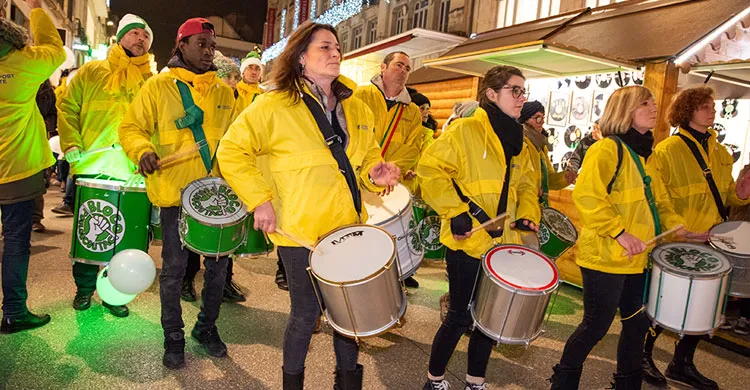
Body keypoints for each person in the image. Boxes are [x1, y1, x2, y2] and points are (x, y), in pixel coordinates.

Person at [217, 21, 400, 389]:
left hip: (348, 227)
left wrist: (374, 176)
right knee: (306, 313)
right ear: (301, 57)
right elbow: (232, 151)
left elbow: (363, 163)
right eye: (324, 47)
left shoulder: (357, 107)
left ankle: (346, 383)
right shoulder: (273, 105)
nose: (335, 53)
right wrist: (259, 201)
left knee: (350, 316)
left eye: (337, 48)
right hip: (299, 230)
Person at [548, 86, 704, 390]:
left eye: (654, 102)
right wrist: (620, 232)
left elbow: (660, 202)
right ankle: (563, 381)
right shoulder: (606, 149)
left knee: (637, 324)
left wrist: (678, 227)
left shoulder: (649, 155)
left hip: (639, 259)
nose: (654, 108)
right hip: (606, 257)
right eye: (645, 103)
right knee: (596, 325)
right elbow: (588, 196)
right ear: (624, 111)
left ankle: (627, 384)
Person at [119, 17, 237, 369]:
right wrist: (142, 150)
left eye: (212, 46)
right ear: (181, 45)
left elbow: (236, 143)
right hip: (173, 195)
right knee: (173, 270)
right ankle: (173, 335)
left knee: (218, 270)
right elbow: (131, 126)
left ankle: (206, 328)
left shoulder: (223, 92)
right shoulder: (158, 87)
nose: (209, 52)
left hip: (214, 198)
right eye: (201, 44)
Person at [418, 65, 540, 390]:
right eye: (514, 90)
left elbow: (528, 185)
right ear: (491, 94)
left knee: (488, 321)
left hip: (504, 244)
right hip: (468, 242)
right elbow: (429, 170)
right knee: (458, 316)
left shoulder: (522, 142)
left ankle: (475, 382)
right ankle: (435, 380)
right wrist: (455, 210)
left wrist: (528, 215)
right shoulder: (464, 131)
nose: (521, 97)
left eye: (523, 91)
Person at [642, 87, 750, 390]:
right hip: (681, 243)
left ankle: (682, 363)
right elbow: (659, 199)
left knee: (705, 307)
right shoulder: (667, 150)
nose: (711, 111)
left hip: (713, 243)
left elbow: (728, 195)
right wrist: (679, 230)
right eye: (704, 106)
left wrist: (741, 191)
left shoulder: (720, 151)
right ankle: (643, 354)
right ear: (688, 111)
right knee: (666, 303)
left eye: (712, 106)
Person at [56, 13, 154, 318]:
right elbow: (68, 107)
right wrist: (71, 143)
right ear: (121, 36)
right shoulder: (91, 72)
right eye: (135, 33)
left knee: (125, 237)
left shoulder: (151, 81)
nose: (141, 39)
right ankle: (84, 289)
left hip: (132, 171)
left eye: (146, 35)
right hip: (94, 167)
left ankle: (115, 292)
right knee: (91, 232)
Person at [0, 0, 65, 334]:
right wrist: (39, 10)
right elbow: (55, 49)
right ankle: (13, 311)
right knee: (14, 241)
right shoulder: (23, 62)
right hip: (17, 169)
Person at [179, 52, 246, 304]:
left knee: (223, 236)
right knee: (193, 232)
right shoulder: (207, 96)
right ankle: (187, 280)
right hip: (198, 172)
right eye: (227, 76)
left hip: (224, 175)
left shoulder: (236, 99)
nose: (232, 81)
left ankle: (224, 283)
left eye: (235, 77)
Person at [353, 51, 424, 289]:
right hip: (354, 179)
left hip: (387, 185)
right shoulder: (360, 95)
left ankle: (379, 287)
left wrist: (392, 172)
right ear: (383, 67)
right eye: (398, 65)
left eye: (407, 68)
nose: (403, 71)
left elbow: (412, 148)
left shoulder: (412, 111)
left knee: (380, 241)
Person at [519, 101, 576, 207]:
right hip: (523, 205)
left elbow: (548, 179)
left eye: (543, 118)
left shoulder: (541, 146)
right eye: (537, 117)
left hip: (539, 205)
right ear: (525, 119)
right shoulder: (519, 143)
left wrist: (565, 177)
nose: (541, 122)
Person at [32, 79, 58, 233]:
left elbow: (52, 113)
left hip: (37, 137)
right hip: (10, 135)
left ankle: (35, 218)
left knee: (36, 178)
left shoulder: (44, 86)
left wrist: (44, 125)